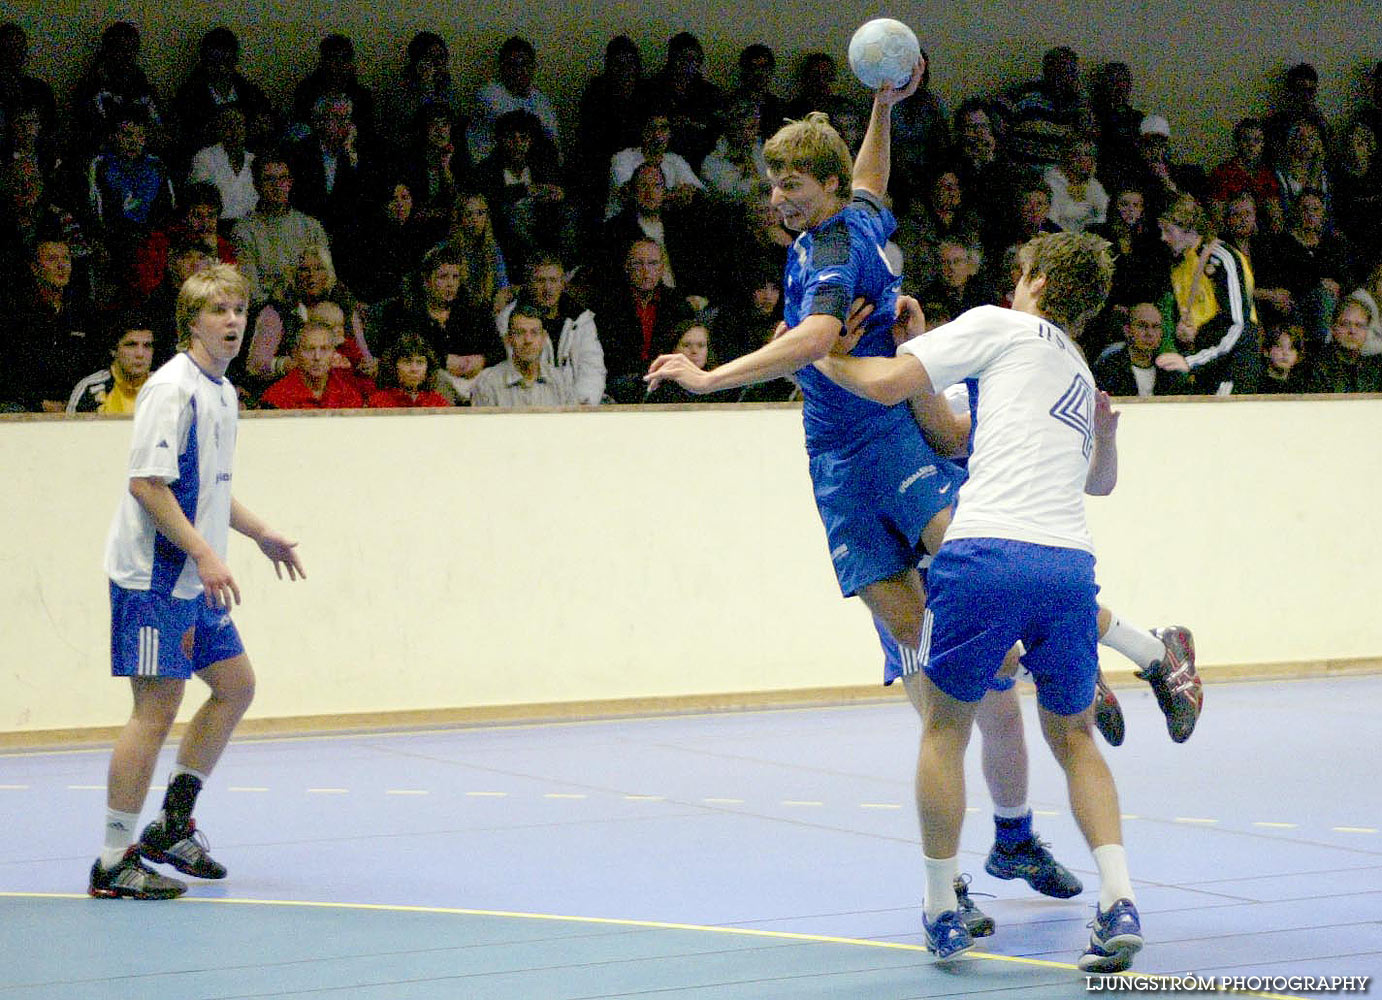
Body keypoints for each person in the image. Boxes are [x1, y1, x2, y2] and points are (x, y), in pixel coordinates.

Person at [646, 64, 1087, 948]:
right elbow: (872, 181)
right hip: (836, 469)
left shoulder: (835, 252)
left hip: (894, 439)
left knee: (980, 585)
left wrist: (708, 378)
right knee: (932, 675)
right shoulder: (858, 215)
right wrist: (885, 104)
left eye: (792, 185)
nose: (779, 199)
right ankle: (963, 875)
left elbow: (812, 339)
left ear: (821, 186)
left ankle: (1127, 657)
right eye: (772, 184)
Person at [809, 231, 1143, 970]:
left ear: (1037, 278)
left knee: (944, 728)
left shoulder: (999, 324)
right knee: (1076, 738)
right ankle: (1118, 898)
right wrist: (926, 349)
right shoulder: (1077, 369)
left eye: (1018, 270)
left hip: (984, 552)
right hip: (1068, 566)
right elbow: (1088, 480)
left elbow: (882, 384)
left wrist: (817, 347)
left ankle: (940, 905)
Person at [90, 263, 304, 900]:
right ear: (192, 323)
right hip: (153, 579)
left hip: (192, 575)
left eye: (239, 309)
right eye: (219, 311)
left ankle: (171, 825)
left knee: (235, 686)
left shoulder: (223, 391)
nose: (233, 321)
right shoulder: (171, 390)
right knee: (155, 711)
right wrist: (207, 557)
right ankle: (112, 860)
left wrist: (259, 533)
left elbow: (211, 490)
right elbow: (147, 485)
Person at [1156, 195, 1261, 394]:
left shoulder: (1223, 257)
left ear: (1190, 229)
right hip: (1206, 361)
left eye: (1169, 231)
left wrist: (1191, 362)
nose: (1163, 238)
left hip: (1233, 365)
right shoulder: (1179, 265)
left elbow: (1239, 325)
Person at [496, 253, 605, 405]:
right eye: (540, 281)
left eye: (553, 280)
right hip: (529, 405)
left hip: (576, 407)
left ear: (562, 283)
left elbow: (592, 368)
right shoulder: (509, 319)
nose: (548, 288)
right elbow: (515, 371)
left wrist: (581, 405)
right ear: (528, 284)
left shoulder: (581, 319)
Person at [229, 153, 330, 306]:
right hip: (268, 312)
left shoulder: (311, 227)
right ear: (256, 185)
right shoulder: (244, 231)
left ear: (290, 183)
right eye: (269, 179)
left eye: (283, 179)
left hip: (313, 307)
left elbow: (328, 279)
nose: (277, 186)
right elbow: (251, 290)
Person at [470, 301, 578, 407]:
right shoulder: (487, 383)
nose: (528, 340)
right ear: (508, 339)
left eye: (534, 333)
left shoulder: (560, 382)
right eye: (520, 333)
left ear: (543, 338)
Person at [258, 319, 366, 409]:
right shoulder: (275, 398)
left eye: (324, 349)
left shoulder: (350, 396)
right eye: (309, 349)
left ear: (334, 353)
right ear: (296, 354)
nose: (317, 357)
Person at [1092, 301, 1191, 397]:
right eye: (1142, 326)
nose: (1150, 333)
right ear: (1128, 330)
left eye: (1156, 327)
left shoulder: (1169, 371)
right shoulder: (1108, 369)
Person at [67, 317, 155, 414]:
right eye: (131, 345)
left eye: (147, 346)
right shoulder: (89, 389)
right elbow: (69, 428)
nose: (140, 354)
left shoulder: (167, 387)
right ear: (114, 350)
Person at [1306, 294, 1382, 394]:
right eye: (1345, 324)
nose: (1352, 331)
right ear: (1333, 328)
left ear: (1367, 331)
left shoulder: (1374, 369)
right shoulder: (1314, 366)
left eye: (1359, 325)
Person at [367, 332, 451, 407]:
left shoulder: (438, 402)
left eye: (420, 362)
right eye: (407, 362)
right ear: (393, 366)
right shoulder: (379, 401)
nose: (414, 369)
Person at [1257, 322, 1309, 393]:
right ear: (1266, 351)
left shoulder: (1303, 386)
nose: (1285, 353)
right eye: (1280, 346)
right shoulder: (1257, 383)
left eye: (1291, 348)